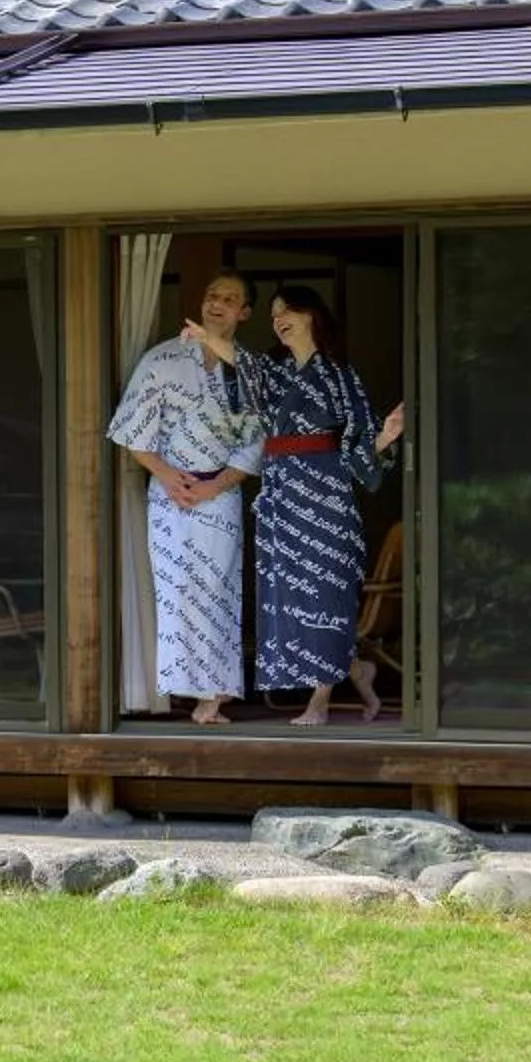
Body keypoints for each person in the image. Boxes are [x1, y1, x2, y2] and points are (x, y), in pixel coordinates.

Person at [233, 285, 404, 725]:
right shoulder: (272, 370)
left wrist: (385, 435)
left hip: (326, 494)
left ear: (311, 316)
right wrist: (210, 337)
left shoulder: (340, 375)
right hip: (281, 493)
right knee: (288, 597)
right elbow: (243, 365)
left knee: (326, 592)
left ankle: (319, 702)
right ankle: (355, 668)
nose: (278, 320)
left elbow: (362, 445)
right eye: (272, 315)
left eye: (287, 310)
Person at [106, 272, 265, 723]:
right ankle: (181, 691)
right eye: (212, 294)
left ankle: (212, 697)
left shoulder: (247, 369)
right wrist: (167, 474)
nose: (218, 303)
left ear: (244, 312)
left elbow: (256, 439)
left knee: (219, 590)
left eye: (230, 298)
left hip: (222, 491)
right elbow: (131, 428)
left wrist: (217, 484)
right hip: (170, 489)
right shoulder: (164, 358)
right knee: (176, 593)